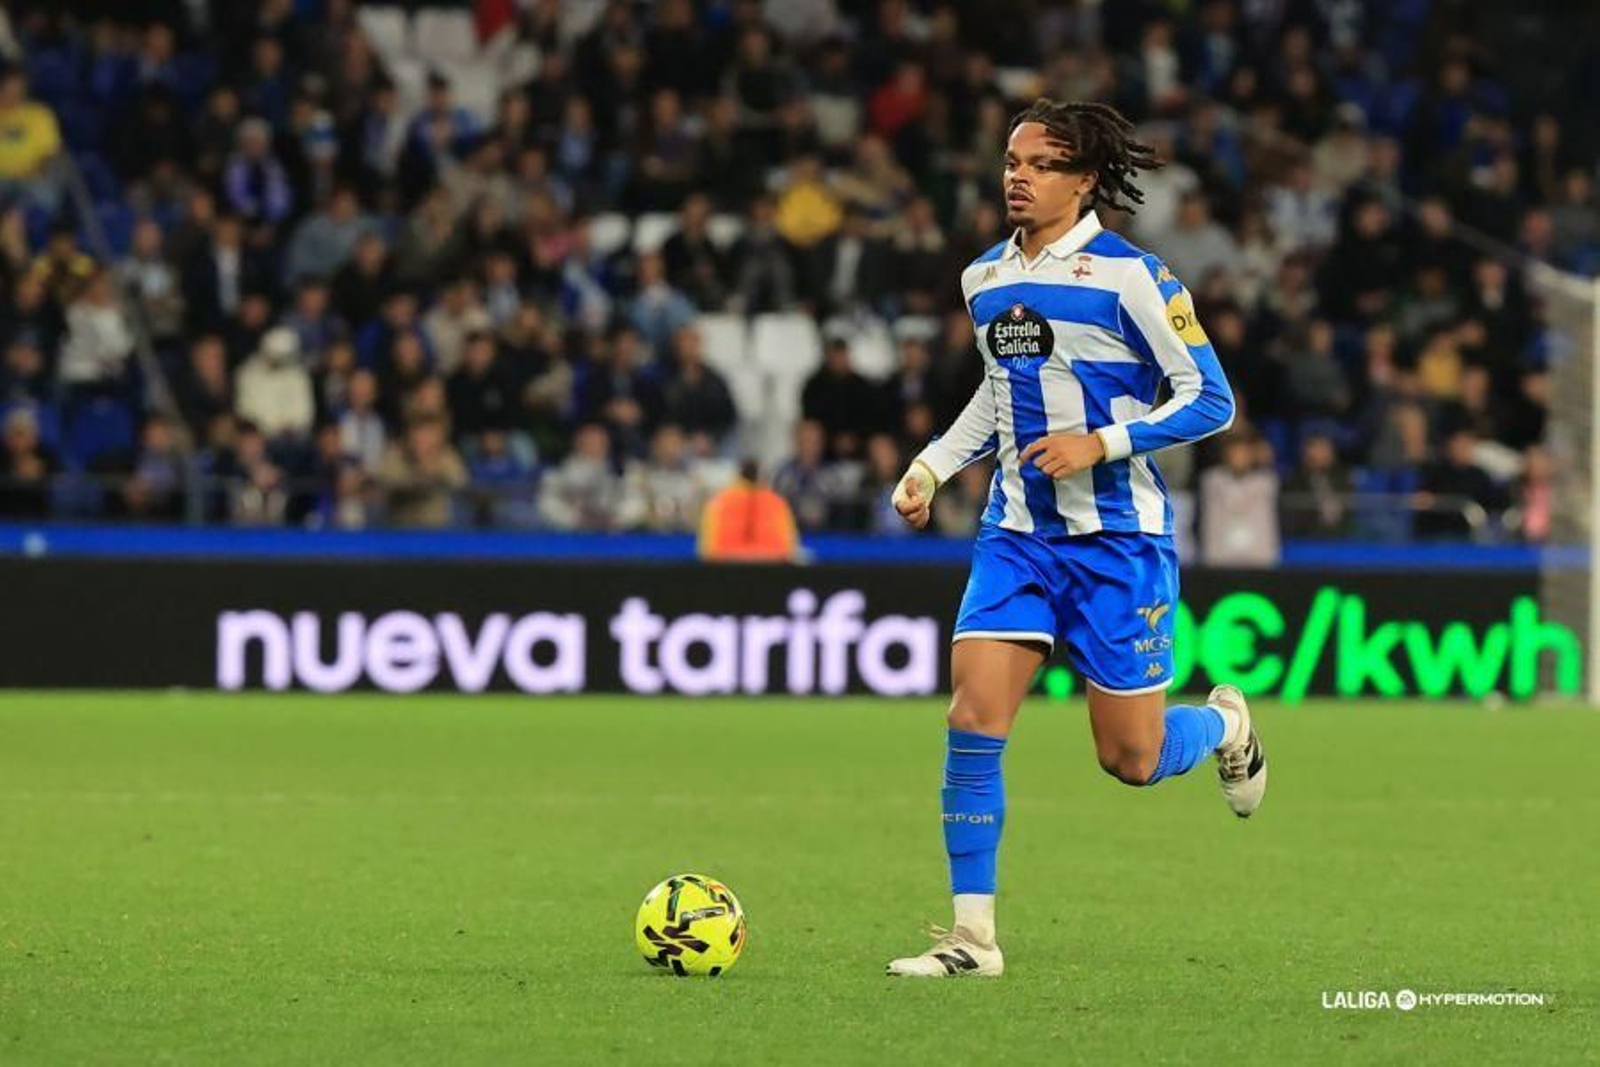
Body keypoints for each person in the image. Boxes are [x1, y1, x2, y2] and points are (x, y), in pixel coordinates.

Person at [884, 100, 1264, 979]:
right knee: (973, 716)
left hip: (1117, 542)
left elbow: (1212, 399)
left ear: (1085, 179)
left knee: (1128, 759)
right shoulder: (983, 277)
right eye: (1011, 160)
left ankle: (1222, 725)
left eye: (1042, 164)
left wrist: (1104, 441)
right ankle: (971, 939)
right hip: (1016, 534)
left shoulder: (1136, 277)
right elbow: (996, 390)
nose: (1018, 175)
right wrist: (933, 465)